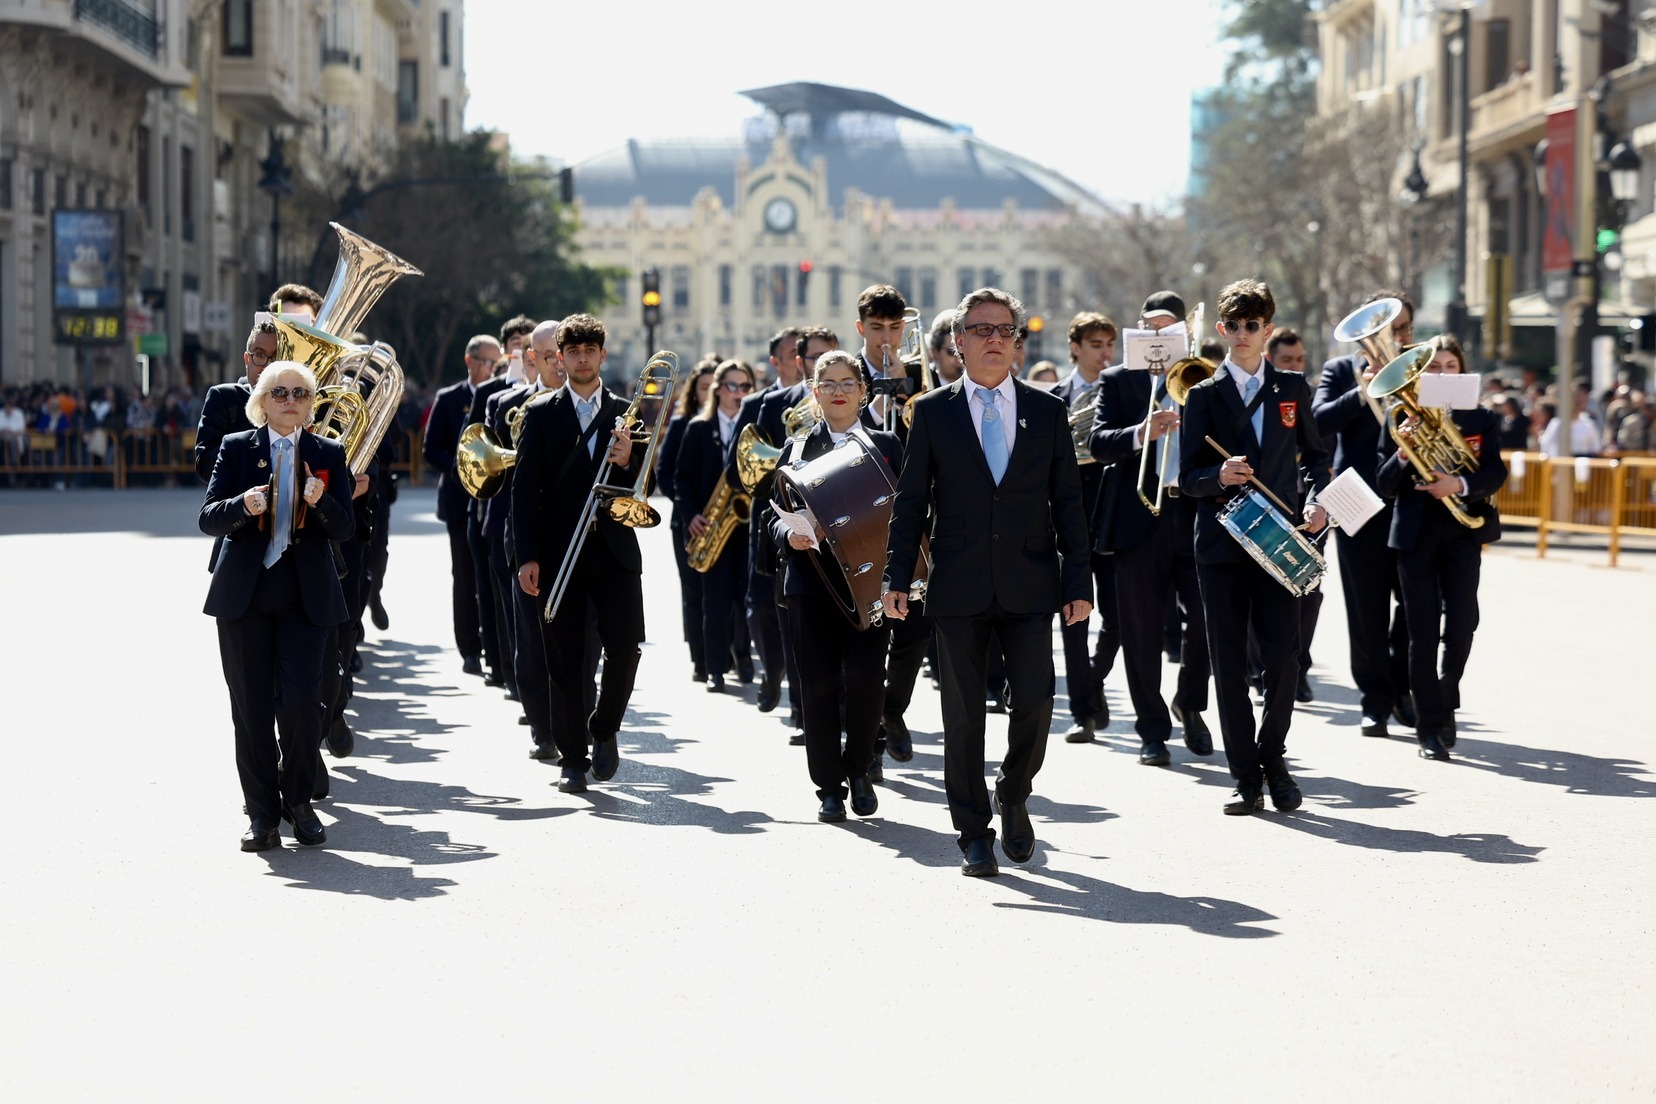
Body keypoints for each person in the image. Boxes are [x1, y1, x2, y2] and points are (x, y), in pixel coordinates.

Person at [883, 287, 1092, 878]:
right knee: (963, 716)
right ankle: (972, 830)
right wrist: (898, 575)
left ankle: (1014, 792)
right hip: (957, 584)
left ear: (1019, 346)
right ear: (959, 342)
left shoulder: (1047, 411)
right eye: (981, 330)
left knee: (1035, 702)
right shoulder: (932, 411)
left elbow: (1069, 506)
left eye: (1006, 330)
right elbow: (911, 502)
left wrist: (1079, 581)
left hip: (1030, 583)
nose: (995, 339)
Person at [1179, 277, 1329, 816]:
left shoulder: (1292, 388)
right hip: (1221, 545)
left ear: (1267, 330)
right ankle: (1245, 776)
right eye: (1234, 326)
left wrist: (1318, 501)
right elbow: (1185, 476)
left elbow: (1315, 459)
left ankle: (1275, 761)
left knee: (1284, 660)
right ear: (1222, 330)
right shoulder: (1202, 395)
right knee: (1228, 663)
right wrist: (1217, 474)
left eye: (1253, 326)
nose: (1243, 335)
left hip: (1281, 541)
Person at [200, 362, 355, 851]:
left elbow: (345, 526)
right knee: (250, 709)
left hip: (305, 598)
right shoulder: (235, 448)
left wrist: (323, 499)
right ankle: (262, 815)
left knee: (306, 703)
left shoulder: (328, 451)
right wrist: (242, 504)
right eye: (280, 392)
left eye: (301, 393)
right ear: (262, 402)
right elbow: (207, 518)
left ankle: (299, 801)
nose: (291, 400)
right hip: (245, 598)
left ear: (311, 405)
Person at [513, 314, 644, 793]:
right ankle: (573, 757)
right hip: (557, 552)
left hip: (613, 553)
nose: (583, 358)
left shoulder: (629, 413)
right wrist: (526, 556)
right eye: (574, 351)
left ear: (602, 355)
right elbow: (524, 491)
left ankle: (604, 728)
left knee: (626, 650)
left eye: (591, 350)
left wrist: (628, 462)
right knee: (564, 660)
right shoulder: (541, 412)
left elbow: (641, 492)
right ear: (560, 358)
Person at [768, 350, 900, 822]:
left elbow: (910, 512)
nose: (839, 391)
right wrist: (791, 533)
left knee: (866, 681)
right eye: (828, 383)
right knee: (819, 687)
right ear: (815, 392)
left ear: (864, 391)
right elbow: (772, 517)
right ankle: (828, 787)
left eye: (848, 382)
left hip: (872, 586)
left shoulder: (888, 445)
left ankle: (860, 767)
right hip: (811, 582)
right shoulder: (797, 449)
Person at [1089, 291, 1214, 766]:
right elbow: (1100, 443)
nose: (1158, 337)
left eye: (1167, 330)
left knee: (1205, 620)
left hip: (1194, 511)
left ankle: (1191, 704)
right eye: (1150, 329)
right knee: (1140, 629)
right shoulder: (1118, 381)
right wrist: (1144, 431)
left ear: (1184, 334)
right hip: (1139, 517)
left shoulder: (1204, 377)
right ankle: (1152, 729)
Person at [1376, 335, 1506, 760]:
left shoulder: (1481, 418)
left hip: (1463, 533)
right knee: (1422, 633)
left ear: (1462, 371)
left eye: (1450, 366)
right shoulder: (1399, 417)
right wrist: (1402, 452)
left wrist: (1459, 484)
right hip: (1415, 536)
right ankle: (1429, 727)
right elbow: (1384, 485)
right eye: (1433, 367)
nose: (1441, 373)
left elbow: (1494, 472)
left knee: (1463, 624)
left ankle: (1445, 699)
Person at [1313, 289, 1415, 738]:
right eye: (1390, 330)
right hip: (1359, 505)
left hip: (1412, 503)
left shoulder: (1422, 366)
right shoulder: (1339, 371)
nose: (1398, 337)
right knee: (1366, 607)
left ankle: (1404, 686)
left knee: (1415, 606)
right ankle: (1374, 699)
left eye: (1404, 328)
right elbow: (1317, 422)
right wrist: (1362, 390)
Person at [725, 329, 804, 713]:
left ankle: (802, 707)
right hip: (770, 519)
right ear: (779, 360)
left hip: (813, 522)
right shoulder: (760, 402)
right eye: (794, 353)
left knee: (798, 609)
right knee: (761, 608)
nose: (800, 359)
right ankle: (773, 672)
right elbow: (736, 470)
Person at [1052, 310, 1120, 744]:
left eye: (1109, 346)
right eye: (1096, 345)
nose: (1105, 353)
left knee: (1117, 619)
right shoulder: (1055, 397)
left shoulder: (1122, 394)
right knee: (1073, 617)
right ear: (1075, 347)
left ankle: (1093, 681)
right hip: (1069, 518)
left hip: (1113, 514)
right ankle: (1082, 711)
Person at [673, 358, 759, 693]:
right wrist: (692, 513)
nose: (739, 393)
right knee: (714, 601)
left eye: (745, 387)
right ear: (717, 390)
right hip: (710, 524)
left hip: (745, 526)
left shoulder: (753, 428)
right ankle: (715, 668)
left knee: (745, 597)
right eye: (732, 386)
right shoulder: (697, 427)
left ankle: (744, 654)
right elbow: (680, 477)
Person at [423, 333, 501, 678]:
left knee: (492, 576)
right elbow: (430, 449)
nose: (492, 369)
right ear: (470, 361)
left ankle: (494, 643)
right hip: (459, 500)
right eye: (487, 362)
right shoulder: (449, 398)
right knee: (466, 576)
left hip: (493, 501)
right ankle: (469, 648)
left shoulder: (500, 396)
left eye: (497, 363)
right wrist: (459, 469)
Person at [1252, 327, 1322, 703]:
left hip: (1303, 509)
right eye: (1287, 361)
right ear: (1269, 359)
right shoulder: (1262, 392)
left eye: (1300, 360)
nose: (1296, 367)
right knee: (1259, 593)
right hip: (1264, 508)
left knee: (1308, 590)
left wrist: (1318, 495)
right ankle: (1259, 667)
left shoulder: (1299, 391)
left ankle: (1298, 667)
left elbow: (1316, 446)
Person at [470, 315, 537, 705]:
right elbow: (481, 454)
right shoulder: (498, 397)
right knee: (510, 611)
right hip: (503, 517)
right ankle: (516, 680)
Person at [659, 356, 720, 682]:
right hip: (689, 522)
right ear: (694, 391)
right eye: (704, 387)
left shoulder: (730, 421)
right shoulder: (683, 424)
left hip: (724, 520)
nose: (709, 392)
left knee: (725, 592)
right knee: (694, 591)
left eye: (715, 387)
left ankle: (724, 654)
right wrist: (689, 510)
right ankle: (700, 659)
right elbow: (666, 473)